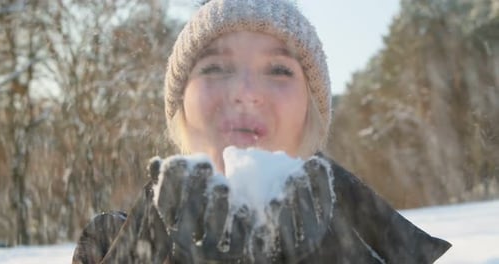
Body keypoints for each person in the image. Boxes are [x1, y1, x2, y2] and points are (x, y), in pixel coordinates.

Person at [72, 0, 451, 263]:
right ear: (180, 105)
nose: (245, 93)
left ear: (310, 109)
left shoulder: (380, 247)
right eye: (215, 68)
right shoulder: (109, 247)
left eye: (279, 70)